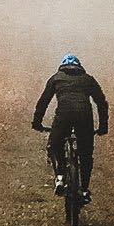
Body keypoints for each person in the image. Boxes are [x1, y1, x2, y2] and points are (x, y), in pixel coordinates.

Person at [32, 54, 108, 202]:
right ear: (80, 67)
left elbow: (43, 101)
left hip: (63, 116)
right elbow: (101, 102)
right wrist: (103, 126)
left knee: (55, 144)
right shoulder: (88, 79)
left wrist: (37, 123)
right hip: (84, 117)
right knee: (86, 153)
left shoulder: (56, 78)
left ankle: (60, 176)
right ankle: (85, 189)